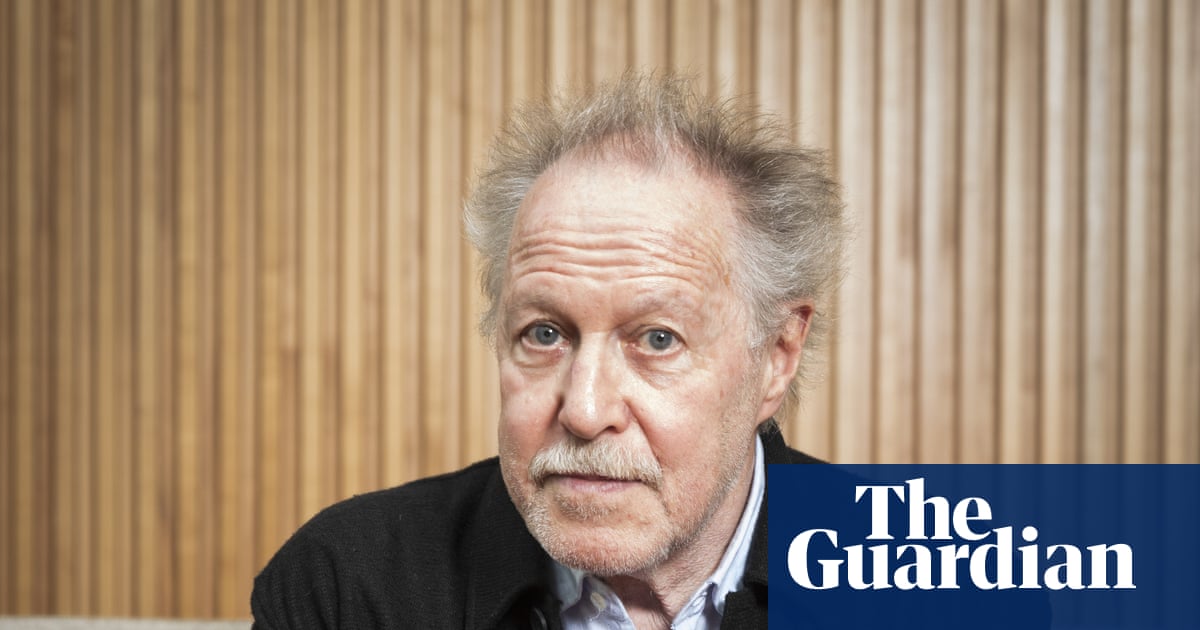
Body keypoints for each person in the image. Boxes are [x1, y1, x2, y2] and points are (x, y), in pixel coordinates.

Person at [251, 72, 846, 630]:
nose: (584, 412)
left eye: (657, 339)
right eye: (544, 334)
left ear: (777, 357)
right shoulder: (346, 586)